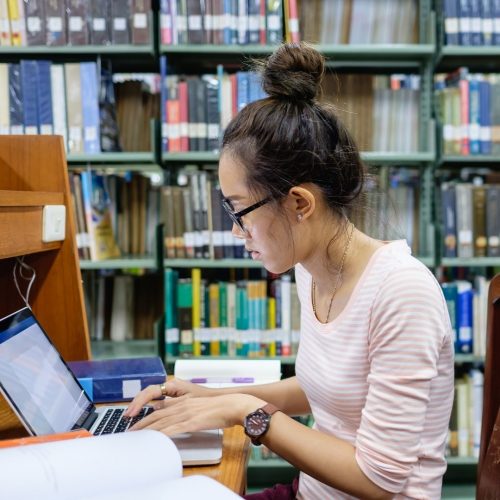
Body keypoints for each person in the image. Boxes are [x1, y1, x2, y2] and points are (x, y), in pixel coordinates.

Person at [125, 42, 454, 500]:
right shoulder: (310, 268)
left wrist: (247, 412)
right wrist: (207, 397)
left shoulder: (402, 292)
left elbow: (378, 481)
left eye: (241, 211)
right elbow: (329, 387)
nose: (239, 232)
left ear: (300, 203)